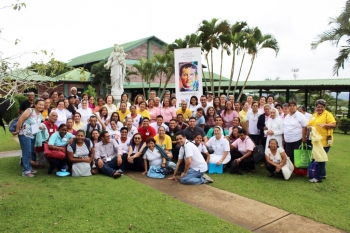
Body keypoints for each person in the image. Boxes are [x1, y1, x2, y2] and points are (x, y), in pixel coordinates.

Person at [13, 99, 45, 177]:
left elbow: (39, 124)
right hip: (24, 134)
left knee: (30, 152)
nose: (41, 106)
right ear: (35, 104)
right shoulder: (29, 111)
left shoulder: (40, 114)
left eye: (42, 105)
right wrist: (17, 130)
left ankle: (29, 168)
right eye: (39, 104)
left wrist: (41, 127)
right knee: (26, 152)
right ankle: (26, 171)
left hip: (32, 135)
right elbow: (20, 120)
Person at [307, 99, 336, 183]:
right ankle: (323, 174)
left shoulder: (328, 114)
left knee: (320, 159)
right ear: (316, 107)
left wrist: (325, 125)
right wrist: (309, 127)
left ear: (325, 107)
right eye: (318, 107)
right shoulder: (314, 115)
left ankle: (318, 178)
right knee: (319, 157)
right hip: (315, 141)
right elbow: (309, 124)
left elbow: (333, 124)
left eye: (321, 107)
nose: (320, 108)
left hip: (324, 141)